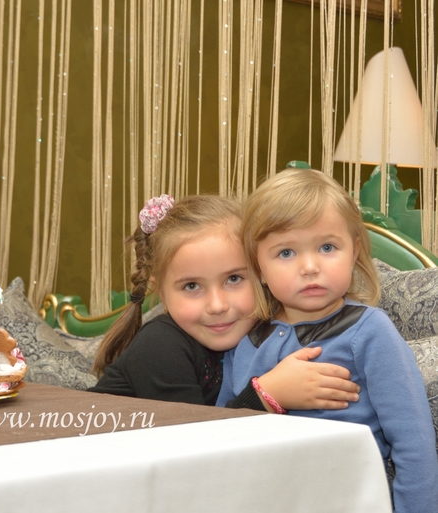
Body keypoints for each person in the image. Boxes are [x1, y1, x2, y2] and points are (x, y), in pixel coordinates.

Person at [216, 168, 438, 513]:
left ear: (354, 252)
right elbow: (217, 434)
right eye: (286, 253)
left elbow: (415, 444)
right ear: (258, 269)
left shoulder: (370, 331)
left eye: (327, 247)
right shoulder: (247, 339)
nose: (310, 266)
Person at [90, 193, 359, 411]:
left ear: (262, 273)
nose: (217, 305)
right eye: (192, 286)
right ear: (161, 292)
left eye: (233, 279)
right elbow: (196, 445)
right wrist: (268, 395)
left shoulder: (268, 331)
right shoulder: (160, 345)